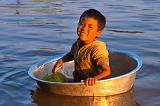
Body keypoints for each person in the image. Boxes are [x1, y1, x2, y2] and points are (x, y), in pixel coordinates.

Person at [52, 9, 110, 86]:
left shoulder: (97, 48)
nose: (84, 29)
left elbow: (107, 71)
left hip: (94, 85)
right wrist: (61, 60)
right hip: (78, 81)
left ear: (98, 33)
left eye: (90, 27)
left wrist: (94, 79)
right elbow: (72, 54)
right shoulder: (77, 43)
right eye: (82, 24)